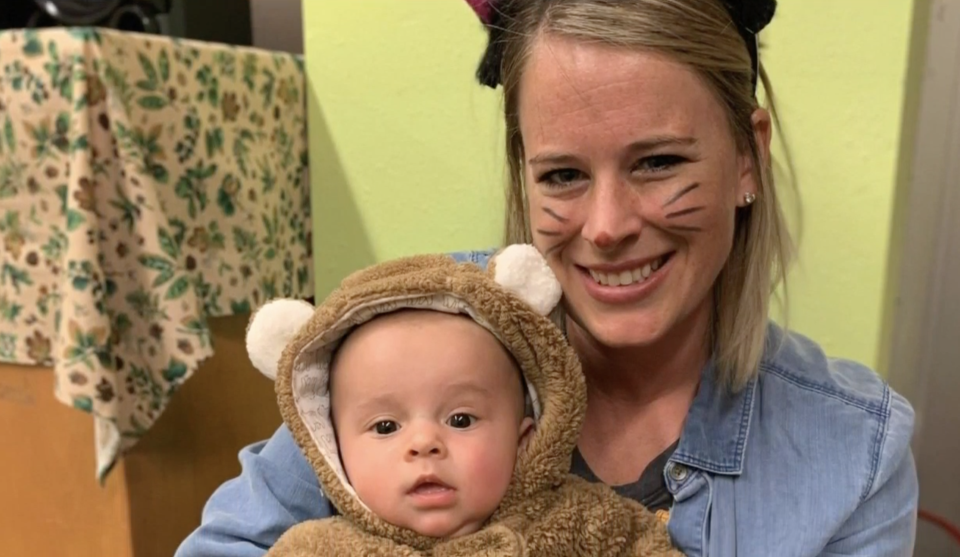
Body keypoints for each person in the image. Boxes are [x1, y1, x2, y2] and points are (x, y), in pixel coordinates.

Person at [177, 0, 919, 555]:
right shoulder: (409, 332)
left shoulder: (852, 452)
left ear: (747, 160)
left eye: (658, 162)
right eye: (563, 174)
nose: (606, 225)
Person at [244, 246, 678, 555]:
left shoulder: (583, 521)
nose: (424, 443)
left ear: (524, 440)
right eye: (385, 427)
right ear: (334, 456)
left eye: (461, 419)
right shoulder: (317, 550)